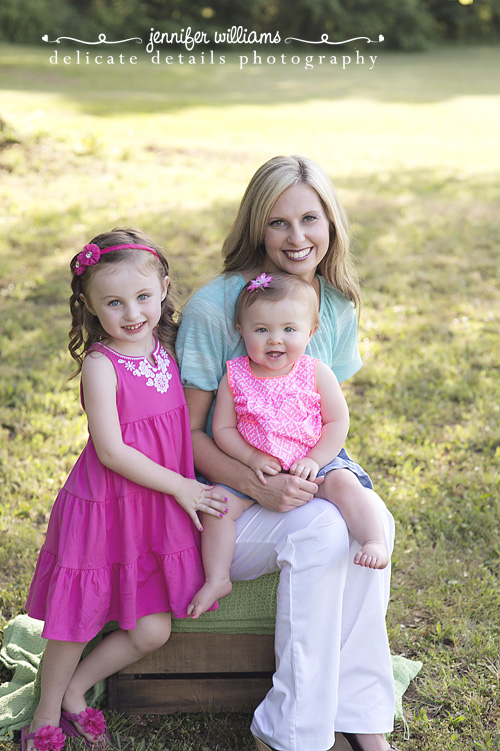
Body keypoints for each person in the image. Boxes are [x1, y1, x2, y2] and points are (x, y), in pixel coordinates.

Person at [176, 156, 400, 751]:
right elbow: (192, 438)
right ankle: (292, 732)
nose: (297, 238)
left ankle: (359, 715)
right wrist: (258, 484)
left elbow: (320, 418)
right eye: (278, 223)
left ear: (331, 221)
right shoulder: (214, 307)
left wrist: (314, 476)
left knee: (371, 525)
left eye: (310, 218)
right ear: (256, 227)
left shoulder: (336, 304)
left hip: (301, 477)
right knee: (323, 534)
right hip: (225, 497)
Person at [22, 229, 228, 751]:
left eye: (142, 297)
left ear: (163, 288)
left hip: (155, 510)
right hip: (106, 506)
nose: (132, 312)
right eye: (113, 303)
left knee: (153, 629)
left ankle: (76, 689)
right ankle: (44, 715)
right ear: (91, 307)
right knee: (77, 617)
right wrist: (183, 486)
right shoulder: (101, 364)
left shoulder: (169, 349)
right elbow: (111, 450)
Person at [187, 271, 389, 619]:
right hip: (256, 470)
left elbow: (337, 422)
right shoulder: (234, 376)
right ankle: (218, 578)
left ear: (310, 332)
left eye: (289, 330)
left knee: (345, 483)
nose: (275, 340)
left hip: (313, 462)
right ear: (241, 330)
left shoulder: (314, 372)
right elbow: (223, 429)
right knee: (216, 507)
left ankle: (373, 539)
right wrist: (251, 457)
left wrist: (316, 458)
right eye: (261, 330)